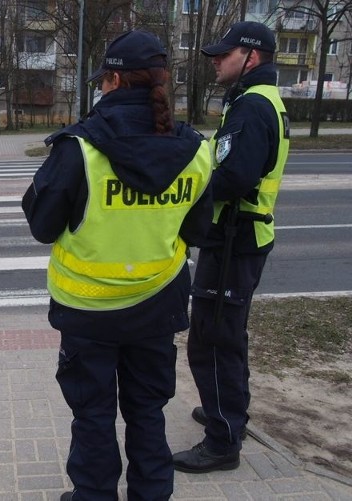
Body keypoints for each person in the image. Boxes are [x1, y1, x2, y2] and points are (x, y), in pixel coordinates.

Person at [22, 30, 214, 501]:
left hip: (88, 311)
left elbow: (43, 226)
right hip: (156, 305)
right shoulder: (195, 149)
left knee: (92, 414)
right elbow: (198, 233)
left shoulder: (79, 148)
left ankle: (94, 495)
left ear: (111, 80)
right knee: (148, 411)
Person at [172, 21, 290, 474]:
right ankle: (231, 413)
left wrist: (186, 199)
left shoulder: (251, 108)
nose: (217, 61)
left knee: (212, 341)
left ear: (251, 57)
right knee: (227, 335)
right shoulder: (257, 101)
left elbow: (233, 177)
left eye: (225, 54)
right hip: (243, 237)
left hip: (234, 238)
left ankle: (222, 441)